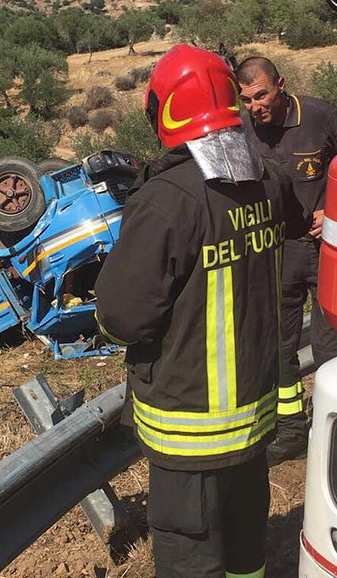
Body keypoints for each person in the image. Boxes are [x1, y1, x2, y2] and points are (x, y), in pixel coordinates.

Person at [95, 45, 310, 578]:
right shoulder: (268, 180)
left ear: (164, 112)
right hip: (252, 423)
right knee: (245, 554)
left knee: (192, 561)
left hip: (189, 432)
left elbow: (122, 318)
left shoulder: (167, 200)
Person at [236, 56, 337, 467]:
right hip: (277, 253)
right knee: (277, 345)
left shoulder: (321, 117)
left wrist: (336, 212)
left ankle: (331, 427)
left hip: (327, 252)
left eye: (261, 95)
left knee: (330, 346)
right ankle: (290, 431)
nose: (255, 107)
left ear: (281, 85)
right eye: (246, 99)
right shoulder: (243, 130)